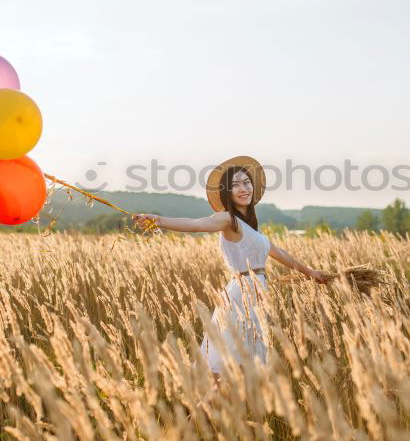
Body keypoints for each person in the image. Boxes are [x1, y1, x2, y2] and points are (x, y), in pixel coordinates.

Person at [132, 155, 329, 378]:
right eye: (235, 185)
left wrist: (310, 272)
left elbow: (279, 253)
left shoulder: (252, 228)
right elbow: (198, 224)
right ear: (227, 192)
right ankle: (199, 412)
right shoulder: (228, 219)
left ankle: (206, 412)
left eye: (246, 183)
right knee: (228, 370)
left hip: (254, 297)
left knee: (240, 373)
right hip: (240, 297)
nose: (243, 188)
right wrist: (157, 220)